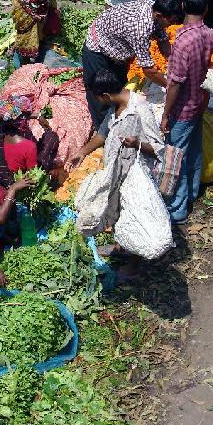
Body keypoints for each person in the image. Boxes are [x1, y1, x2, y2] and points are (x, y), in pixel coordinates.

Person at [68, 68, 164, 277]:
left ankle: (133, 265)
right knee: (118, 211)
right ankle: (121, 247)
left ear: (106, 96)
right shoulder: (115, 107)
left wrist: (137, 143)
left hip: (136, 174)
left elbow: (158, 148)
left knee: (133, 215)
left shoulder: (139, 109)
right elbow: (103, 133)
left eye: (97, 99)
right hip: (117, 171)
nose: (99, 102)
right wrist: (82, 152)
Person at [82, 0, 183, 128]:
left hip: (117, 50)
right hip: (98, 48)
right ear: (159, 16)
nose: (172, 25)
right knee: (102, 95)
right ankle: (104, 133)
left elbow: (163, 39)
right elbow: (149, 71)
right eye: (171, 21)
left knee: (119, 90)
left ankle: (118, 122)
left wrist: (174, 65)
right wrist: (171, 87)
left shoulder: (153, 7)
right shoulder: (141, 28)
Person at [161, 0, 213, 224]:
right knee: (194, 151)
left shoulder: (182, 40)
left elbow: (174, 84)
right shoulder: (209, 33)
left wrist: (165, 114)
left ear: (182, 7)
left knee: (176, 158)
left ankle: (177, 209)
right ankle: (192, 193)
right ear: (205, 8)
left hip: (182, 108)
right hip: (198, 102)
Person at [0, 94, 59, 187]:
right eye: (25, 117)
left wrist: (37, 116)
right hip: (21, 182)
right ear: (22, 121)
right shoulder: (28, 147)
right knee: (51, 137)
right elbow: (34, 176)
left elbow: (15, 117)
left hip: (4, 176)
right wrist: (48, 178)